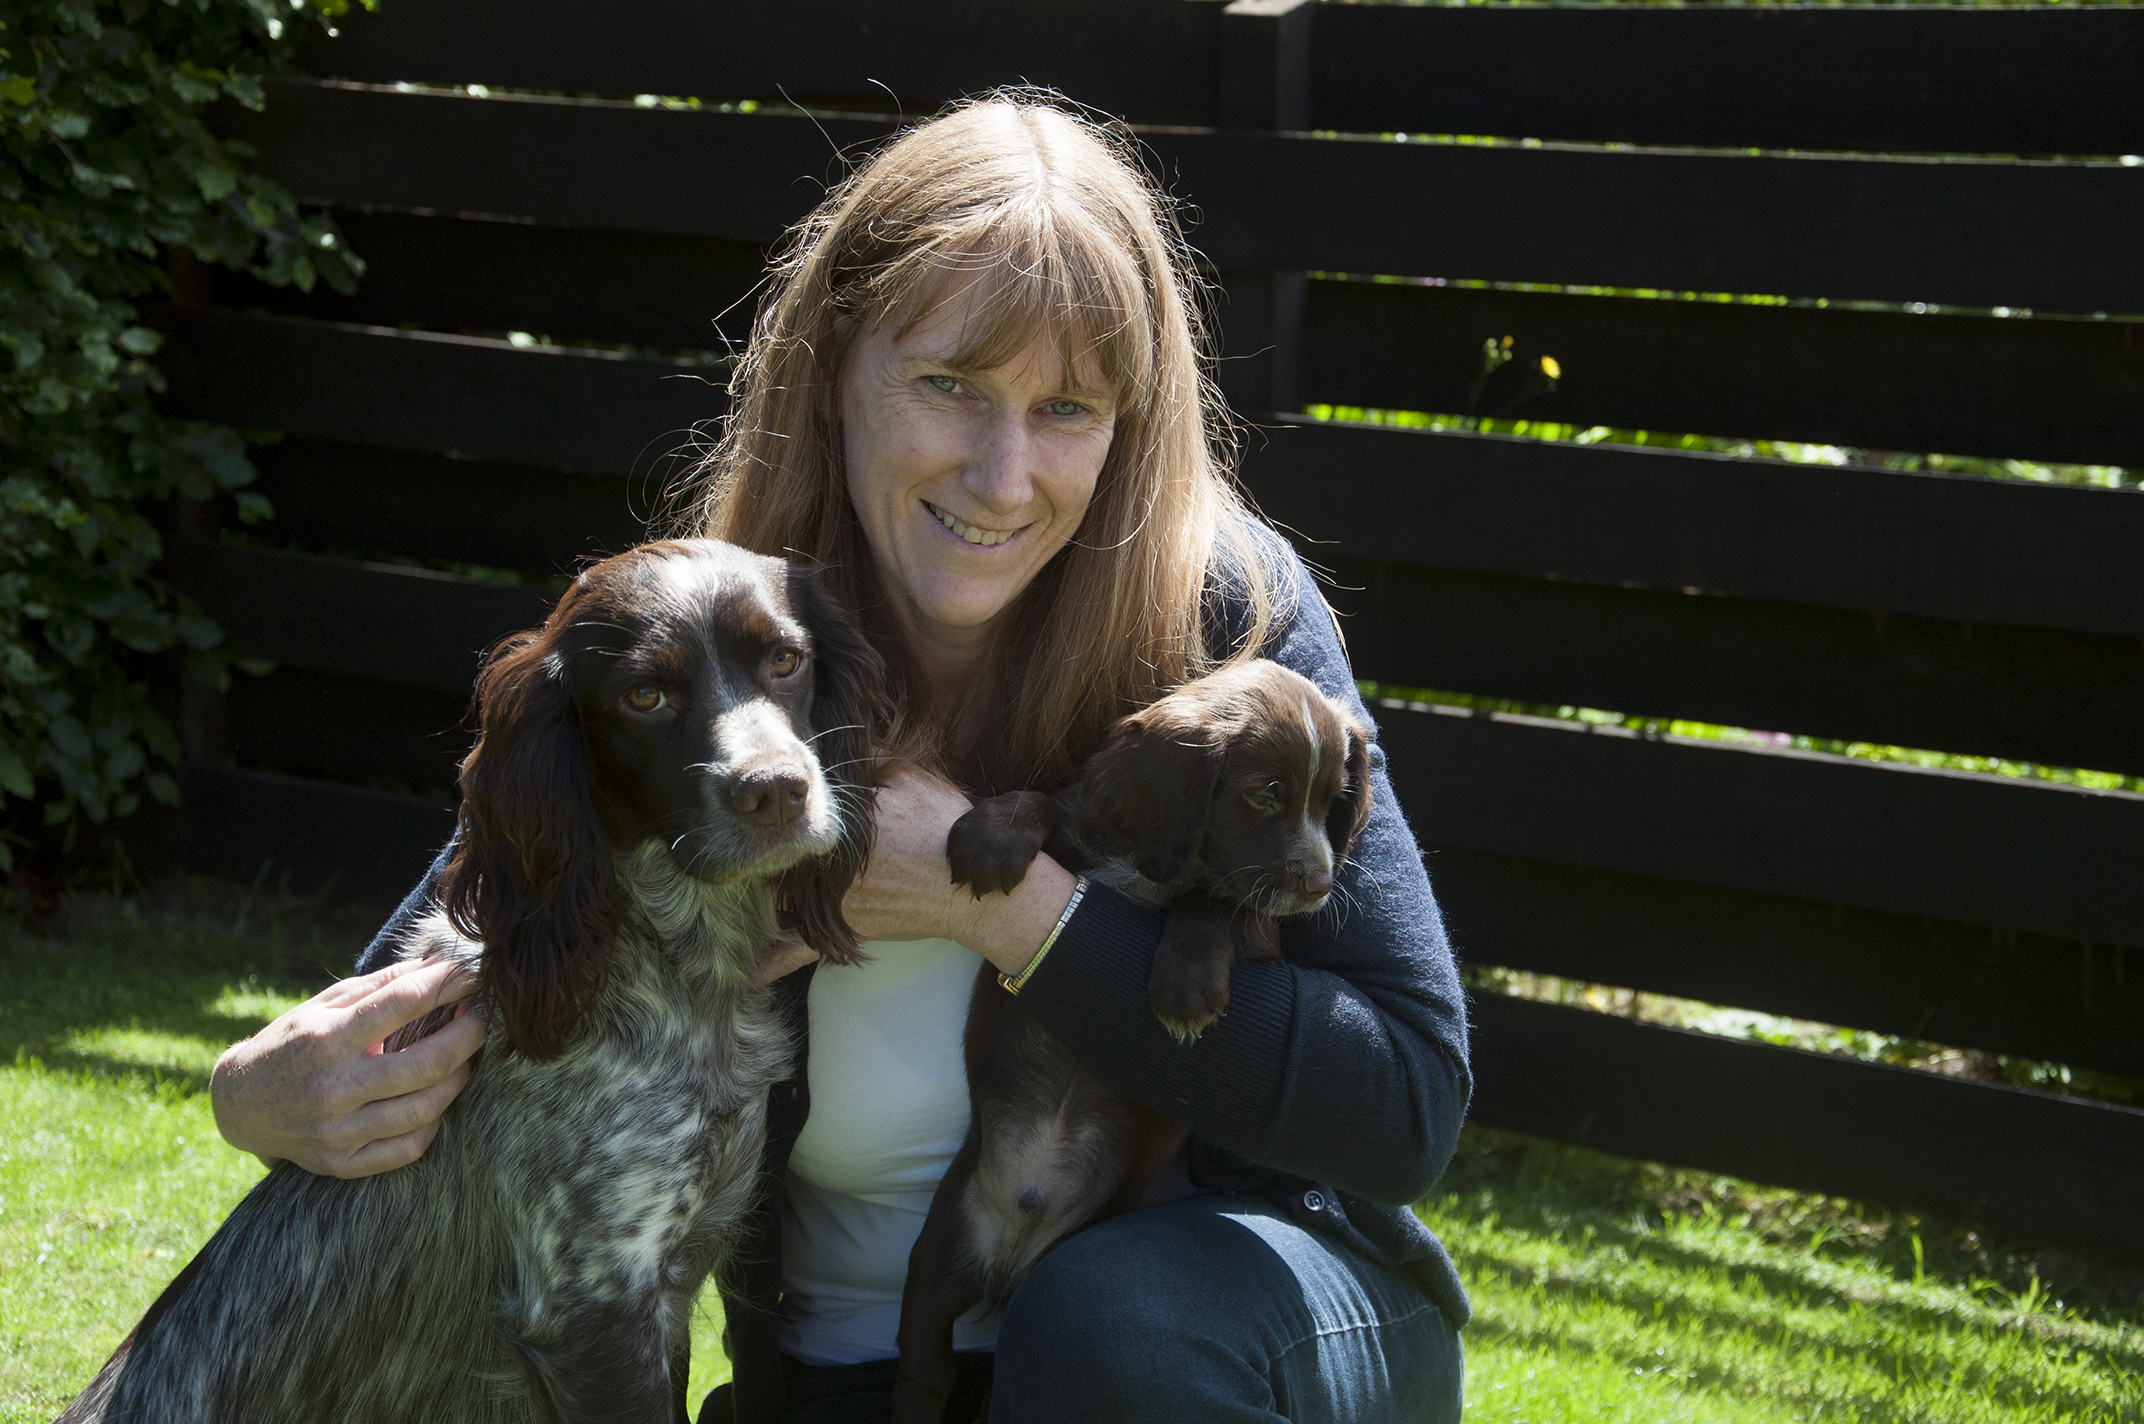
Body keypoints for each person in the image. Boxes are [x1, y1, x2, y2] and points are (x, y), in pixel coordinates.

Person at [210, 96, 1471, 1424]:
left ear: (1132, 425)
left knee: (1112, 1334)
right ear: (831, 368)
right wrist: (256, 1091)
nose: (1002, 474)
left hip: (1224, 1326)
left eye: (1067, 409)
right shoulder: (750, 633)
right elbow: (476, 921)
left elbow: (1406, 1101)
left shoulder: (1226, 621)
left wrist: (1012, 910)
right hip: (862, 1369)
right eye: (949, 386)